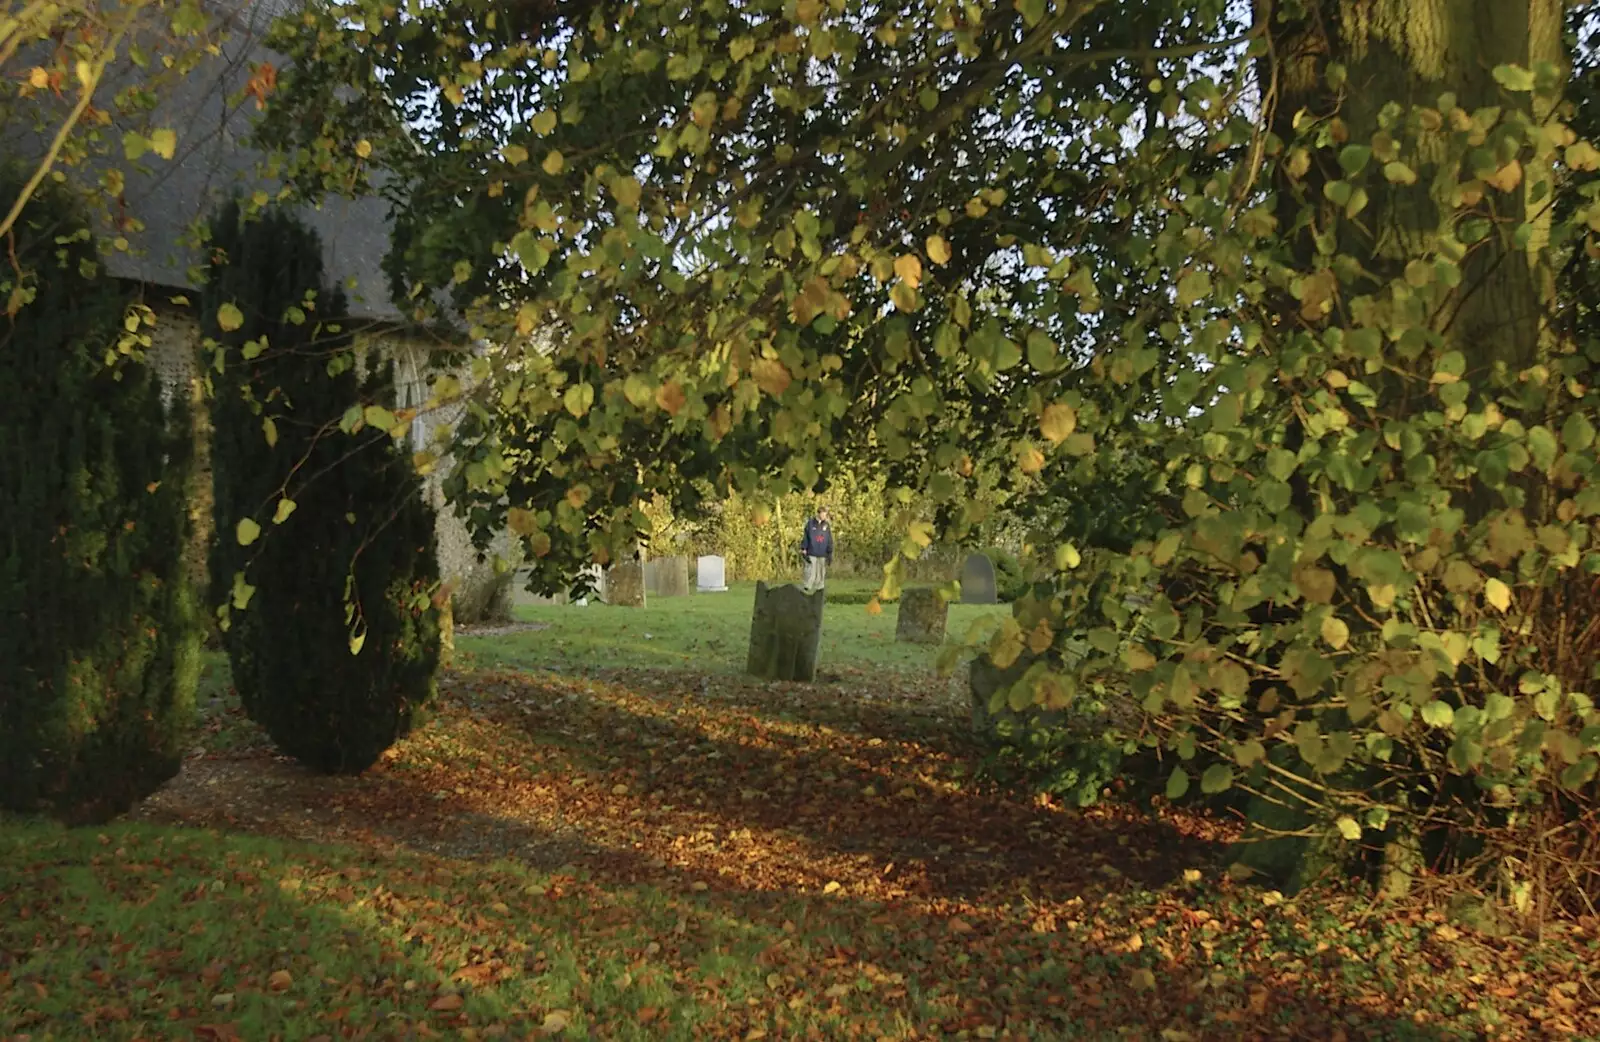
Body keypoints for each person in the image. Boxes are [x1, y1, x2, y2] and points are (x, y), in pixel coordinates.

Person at [800, 505, 834, 593]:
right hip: (812, 551)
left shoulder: (826, 525)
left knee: (821, 571)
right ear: (818, 513)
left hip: (822, 552)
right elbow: (806, 536)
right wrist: (804, 548)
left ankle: (819, 588)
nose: (824, 516)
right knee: (811, 570)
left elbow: (829, 539)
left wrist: (829, 552)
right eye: (823, 514)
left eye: (825, 515)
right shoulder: (810, 524)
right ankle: (807, 586)